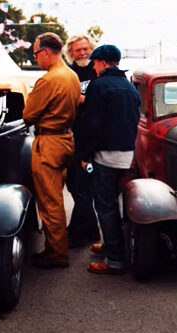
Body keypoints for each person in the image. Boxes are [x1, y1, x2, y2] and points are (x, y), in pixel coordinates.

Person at [78, 45, 141, 275]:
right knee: (116, 205)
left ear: (103, 62)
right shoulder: (129, 86)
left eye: (94, 63)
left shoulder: (100, 85)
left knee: (105, 206)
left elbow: (92, 124)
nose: (93, 67)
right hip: (126, 155)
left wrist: (85, 156)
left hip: (105, 155)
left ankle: (114, 259)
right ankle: (110, 246)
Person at [23, 32, 81, 268]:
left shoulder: (48, 79)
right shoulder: (72, 75)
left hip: (48, 143)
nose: (36, 59)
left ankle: (56, 254)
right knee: (55, 195)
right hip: (66, 139)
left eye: (36, 54)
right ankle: (56, 249)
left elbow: (28, 115)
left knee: (50, 202)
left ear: (46, 52)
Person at [62, 35, 100, 247]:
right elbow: (66, 97)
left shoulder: (96, 69)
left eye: (86, 49)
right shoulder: (69, 72)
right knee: (74, 186)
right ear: (71, 52)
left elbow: (100, 98)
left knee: (82, 185)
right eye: (78, 50)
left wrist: (82, 99)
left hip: (92, 137)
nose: (83, 53)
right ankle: (92, 229)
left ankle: (76, 232)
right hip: (71, 134)